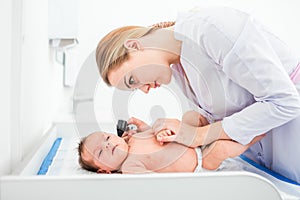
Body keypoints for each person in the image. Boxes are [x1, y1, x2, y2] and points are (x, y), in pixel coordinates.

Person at [95, 6, 300, 182]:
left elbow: (286, 102)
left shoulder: (211, 29)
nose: (145, 89)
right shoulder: (179, 66)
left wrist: (199, 135)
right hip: (266, 163)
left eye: (132, 80)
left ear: (134, 46)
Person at [78, 111, 263, 173]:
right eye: (100, 152)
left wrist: (146, 127)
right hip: (199, 161)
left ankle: (223, 127)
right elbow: (148, 185)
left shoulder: (132, 138)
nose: (108, 145)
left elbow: (151, 134)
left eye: (107, 138)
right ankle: (256, 135)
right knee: (220, 148)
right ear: (104, 170)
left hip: (191, 140)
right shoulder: (129, 166)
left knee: (192, 116)